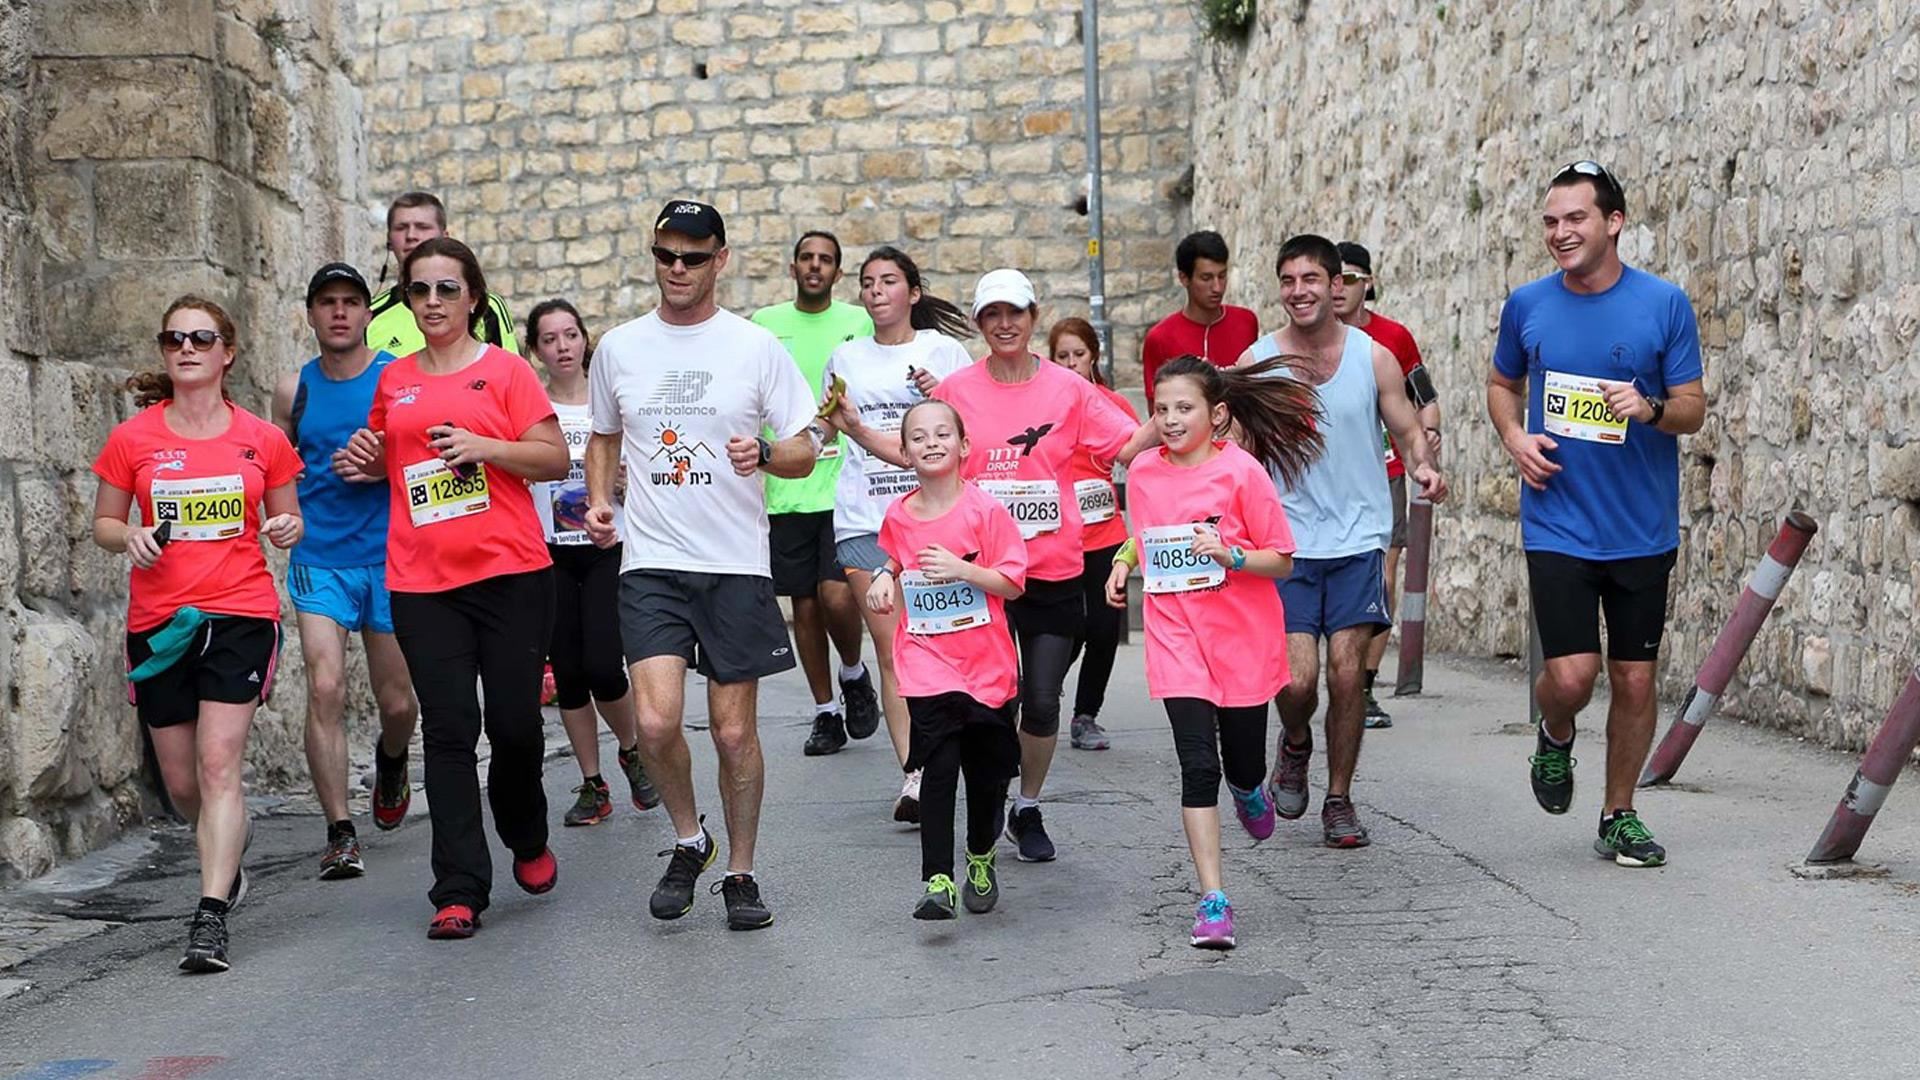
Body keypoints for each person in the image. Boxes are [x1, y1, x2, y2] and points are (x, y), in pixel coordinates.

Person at [835, 268, 1156, 863]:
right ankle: (987, 802)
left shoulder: (1069, 389)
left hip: (1051, 568)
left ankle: (1026, 805)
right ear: (981, 324)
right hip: (976, 578)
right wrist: (855, 428)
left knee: (1039, 700)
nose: (1004, 324)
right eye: (992, 315)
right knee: (991, 703)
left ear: (1034, 316)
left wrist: (1170, 424)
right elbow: (917, 457)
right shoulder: (957, 390)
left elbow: (1128, 446)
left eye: (1015, 313)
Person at [584, 200, 817, 931]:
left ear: (721, 259)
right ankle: (691, 838)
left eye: (692, 256)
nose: (676, 269)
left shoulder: (753, 347)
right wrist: (598, 500)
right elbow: (601, 437)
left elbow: (806, 443)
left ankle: (741, 872)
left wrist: (769, 454)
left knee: (732, 734)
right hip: (651, 560)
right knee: (653, 724)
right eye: (665, 255)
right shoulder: (620, 348)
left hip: (735, 565)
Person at [343, 237, 569, 940]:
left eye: (447, 289)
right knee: (447, 731)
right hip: (422, 581)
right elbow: (389, 463)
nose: (433, 302)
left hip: (510, 575)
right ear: (406, 301)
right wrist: (368, 459)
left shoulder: (505, 372)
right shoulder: (394, 379)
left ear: (473, 297)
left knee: (513, 727)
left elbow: (555, 458)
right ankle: (459, 887)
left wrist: (486, 448)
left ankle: (526, 835)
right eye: (420, 290)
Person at [1487, 160, 1706, 868]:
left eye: (1575, 218)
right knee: (1575, 676)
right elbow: (1500, 384)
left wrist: (1648, 408)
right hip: (1558, 518)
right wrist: (1516, 438)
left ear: (1613, 222)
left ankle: (1619, 815)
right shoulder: (1527, 305)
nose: (1560, 232)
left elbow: (1693, 408)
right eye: (1550, 221)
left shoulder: (1663, 305)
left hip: (1640, 525)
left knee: (1636, 678)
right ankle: (1555, 734)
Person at [92, 296, 304, 972]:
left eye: (201, 338)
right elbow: (104, 524)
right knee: (184, 786)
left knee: (219, 766)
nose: (187, 348)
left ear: (227, 352)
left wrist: (283, 529)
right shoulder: (135, 439)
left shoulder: (261, 439)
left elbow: (288, 519)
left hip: (241, 612)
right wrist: (130, 536)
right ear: (165, 351)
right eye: (175, 338)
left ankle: (209, 918)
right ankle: (226, 849)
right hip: (159, 624)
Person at [1240, 234, 1448, 849]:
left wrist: (1423, 467)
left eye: (1310, 280)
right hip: (1287, 544)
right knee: (1298, 683)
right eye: (1287, 281)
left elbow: (1408, 429)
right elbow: (1238, 450)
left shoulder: (1373, 357)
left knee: (1346, 673)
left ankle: (1340, 798)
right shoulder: (1259, 361)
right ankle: (1296, 741)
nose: (1298, 292)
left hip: (1359, 537)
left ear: (1336, 287)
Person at [1106, 354, 1318, 948]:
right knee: (1199, 766)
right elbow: (1143, 537)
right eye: (1161, 409)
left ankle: (1251, 789)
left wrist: (1232, 555)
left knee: (1241, 764)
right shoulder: (1145, 472)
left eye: (1184, 408)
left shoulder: (1243, 473)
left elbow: (1282, 558)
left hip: (1241, 640)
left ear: (1216, 415)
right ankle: (1213, 899)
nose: (1170, 420)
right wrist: (1123, 565)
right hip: (1176, 639)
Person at [270, 264, 419, 880]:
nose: (339, 312)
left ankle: (391, 759)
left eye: (351, 302)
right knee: (325, 687)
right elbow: (275, 467)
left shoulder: (396, 377)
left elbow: (425, 458)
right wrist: (283, 510)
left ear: (366, 314)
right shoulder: (291, 390)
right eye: (327, 302)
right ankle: (339, 830)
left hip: (388, 556)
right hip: (319, 558)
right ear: (310, 314)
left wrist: (384, 466)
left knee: (398, 702)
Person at [823, 246, 975, 822]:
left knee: (943, 644)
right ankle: (915, 776)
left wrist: (944, 392)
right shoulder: (844, 356)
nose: (876, 290)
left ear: (913, 292)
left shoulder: (945, 352)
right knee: (892, 651)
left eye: (889, 281)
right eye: (867, 283)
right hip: (866, 521)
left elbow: (968, 432)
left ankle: (960, 755)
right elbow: (833, 427)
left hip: (938, 519)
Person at [865, 400, 1028, 920]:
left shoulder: (985, 511)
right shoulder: (899, 513)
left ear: (963, 447)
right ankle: (937, 878)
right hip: (926, 661)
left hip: (987, 669)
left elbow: (1013, 581)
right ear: (905, 452)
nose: (931, 442)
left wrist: (962, 569)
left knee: (987, 774)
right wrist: (883, 577)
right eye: (918, 436)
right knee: (939, 767)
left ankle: (980, 855)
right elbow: (895, 555)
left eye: (941, 434)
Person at [524, 298, 660, 826]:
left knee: (604, 663)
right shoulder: (531, 409)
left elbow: (650, 465)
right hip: (550, 549)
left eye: (570, 335)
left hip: (608, 547)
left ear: (585, 340)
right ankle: (591, 782)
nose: (562, 347)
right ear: (535, 350)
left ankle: (631, 750)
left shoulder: (612, 405)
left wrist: (626, 481)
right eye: (550, 339)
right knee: (570, 675)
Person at [750, 231, 881, 758]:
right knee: (803, 606)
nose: (815, 266)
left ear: (837, 272)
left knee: (835, 594)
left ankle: (853, 672)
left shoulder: (857, 323)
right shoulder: (764, 325)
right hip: (787, 488)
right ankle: (826, 711)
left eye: (825, 260)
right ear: (793, 266)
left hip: (844, 482)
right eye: (807, 257)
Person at [1330, 241, 1444, 729]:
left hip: (1386, 471)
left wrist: (1428, 435)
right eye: (1333, 279)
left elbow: (1425, 397)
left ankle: (1364, 684)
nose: (1341, 289)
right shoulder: (1311, 339)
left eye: (1351, 279)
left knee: (1382, 574)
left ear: (1368, 284)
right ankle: (1336, 668)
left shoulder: (1393, 338)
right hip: (1326, 476)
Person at [1047, 317, 1138, 751]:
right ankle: (1040, 694)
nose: (1070, 364)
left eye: (1077, 355)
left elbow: (1143, 456)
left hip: (1106, 534)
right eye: (1061, 356)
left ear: (1093, 356)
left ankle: (1086, 715)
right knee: (1070, 626)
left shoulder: (1112, 404)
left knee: (1103, 626)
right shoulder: (1041, 404)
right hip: (1056, 537)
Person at [366, 192, 519, 357]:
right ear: (389, 240)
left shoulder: (485, 306)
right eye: (401, 228)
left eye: (422, 227)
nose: (411, 236)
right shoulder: (370, 316)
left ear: (445, 236)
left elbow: (511, 374)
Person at [1140, 230, 1261, 407]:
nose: (1217, 287)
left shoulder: (1246, 322)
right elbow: (1157, 410)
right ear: (1184, 278)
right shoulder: (1160, 338)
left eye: (1222, 276)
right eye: (1206, 278)